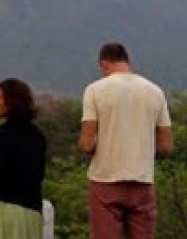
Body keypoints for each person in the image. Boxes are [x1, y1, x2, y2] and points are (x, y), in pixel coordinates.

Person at [77, 42, 173, 239]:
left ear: (104, 64)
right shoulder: (155, 91)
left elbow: (86, 143)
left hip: (106, 180)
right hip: (142, 180)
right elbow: (166, 145)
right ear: (128, 62)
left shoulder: (94, 90)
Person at [0, 78, 47, 239]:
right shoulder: (38, 136)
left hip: (5, 213)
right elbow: (39, 174)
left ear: (11, 102)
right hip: (32, 213)